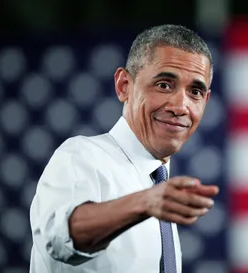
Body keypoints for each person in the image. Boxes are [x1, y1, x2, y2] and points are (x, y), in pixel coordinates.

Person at [29, 24, 219, 273]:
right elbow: (56, 238)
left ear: (205, 101)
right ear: (124, 86)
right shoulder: (81, 156)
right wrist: (144, 202)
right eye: (163, 85)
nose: (180, 106)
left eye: (194, 91)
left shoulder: (158, 186)